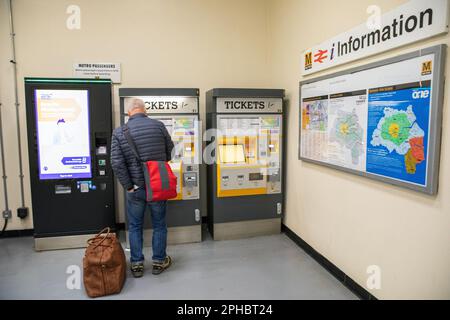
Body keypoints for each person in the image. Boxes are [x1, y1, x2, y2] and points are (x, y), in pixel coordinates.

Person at [111, 98, 174, 278]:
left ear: (128, 112)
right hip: (157, 185)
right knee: (159, 224)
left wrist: (129, 186)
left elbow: (116, 163)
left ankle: (137, 264)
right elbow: (169, 150)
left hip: (136, 188)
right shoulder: (158, 125)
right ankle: (159, 261)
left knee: (135, 225)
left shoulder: (119, 132)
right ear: (144, 109)